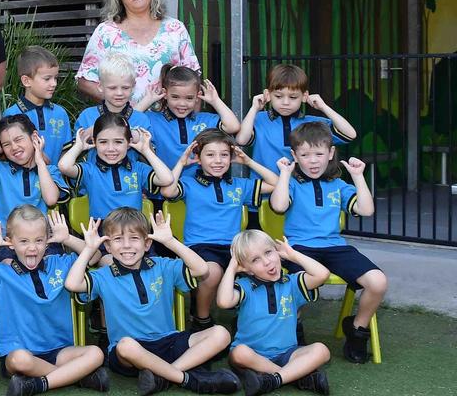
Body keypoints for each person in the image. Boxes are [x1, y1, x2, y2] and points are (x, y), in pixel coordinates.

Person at [65, 209, 238, 395]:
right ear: (107, 246)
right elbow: (72, 284)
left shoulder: (162, 265)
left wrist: (170, 242)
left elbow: (202, 268)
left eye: (134, 238)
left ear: (147, 243)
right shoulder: (102, 276)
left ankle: (163, 376)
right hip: (132, 353)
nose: (126, 246)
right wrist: (89, 249)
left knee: (221, 333)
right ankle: (189, 380)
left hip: (169, 342)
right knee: (125, 346)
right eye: (117, 240)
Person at [268, 122, 384, 363]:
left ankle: (357, 330)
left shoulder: (338, 185)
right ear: (294, 156)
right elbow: (278, 206)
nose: (313, 161)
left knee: (378, 282)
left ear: (330, 153)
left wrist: (358, 177)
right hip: (299, 249)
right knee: (298, 285)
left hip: (335, 247)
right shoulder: (290, 183)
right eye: (305, 155)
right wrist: (284, 174)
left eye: (319, 154)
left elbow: (366, 209)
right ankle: (293, 329)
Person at [0, 208, 109, 395]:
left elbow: (94, 257)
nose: (32, 248)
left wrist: (67, 239)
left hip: (59, 351)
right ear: (10, 243)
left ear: (47, 241)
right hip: (21, 352)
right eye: (23, 241)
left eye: (39, 240)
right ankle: (76, 377)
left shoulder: (60, 263)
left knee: (96, 354)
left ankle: (38, 384)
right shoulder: (2, 272)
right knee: (19, 361)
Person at [159, 130, 278, 331]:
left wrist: (248, 162)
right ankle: (202, 318)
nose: (218, 161)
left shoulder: (239, 186)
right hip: (200, 247)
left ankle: (249, 321)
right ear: (198, 158)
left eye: (224, 155)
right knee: (212, 272)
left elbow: (275, 183)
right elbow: (168, 190)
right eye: (210, 155)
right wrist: (181, 162)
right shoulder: (189, 183)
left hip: (233, 248)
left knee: (260, 267)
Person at [217, 230, 331, 396]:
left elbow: (322, 274)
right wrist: (232, 268)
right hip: (253, 354)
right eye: (255, 260)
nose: (267, 262)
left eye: (268, 252)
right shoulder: (245, 286)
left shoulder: (291, 283)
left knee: (321, 350)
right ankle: (297, 377)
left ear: (277, 252)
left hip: (287, 353)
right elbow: (223, 301)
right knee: (239, 353)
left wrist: (293, 255)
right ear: (247, 269)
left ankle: (272, 380)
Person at [77, 0, 199, 104]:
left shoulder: (174, 29)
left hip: (168, 123)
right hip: (123, 123)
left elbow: (194, 79)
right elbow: (85, 81)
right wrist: (120, 104)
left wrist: (191, 123)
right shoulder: (106, 32)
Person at [0, 116, 63, 261]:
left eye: (18, 140)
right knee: (9, 267)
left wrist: (40, 162)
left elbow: (51, 200)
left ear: (34, 138)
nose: (14, 147)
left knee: (52, 263)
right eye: (6, 144)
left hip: (41, 241)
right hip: (6, 242)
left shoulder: (49, 171)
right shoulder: (0, 169)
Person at [236, 64, 357, 172]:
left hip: (300, 192)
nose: (285, 102)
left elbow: (350, 134)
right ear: (267, 95)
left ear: (304, 96)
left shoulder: (314, 123)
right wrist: (254, 109)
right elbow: (242, 140)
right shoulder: (258, 118)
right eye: (278, 96)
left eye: (293, 97)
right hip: (265, 190)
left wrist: (324, 107)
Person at [58, 113, 173, 222]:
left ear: (129, 143)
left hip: (135, 231)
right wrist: (79, 147)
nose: (111, 148)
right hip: (103, 234)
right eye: (103, 142)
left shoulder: (138, 169)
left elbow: (167, 179)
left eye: (118, 142)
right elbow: (64, 166)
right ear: (94, 142)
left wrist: (146, 151)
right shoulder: (90, 171)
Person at [139, 66, 240, 169]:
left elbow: (233, 127)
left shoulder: (206, 120)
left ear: (197, 96)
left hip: (200, 183)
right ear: (165, 94)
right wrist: (147, 101)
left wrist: (215, 101)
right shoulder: (151, 119)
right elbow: (125, 123)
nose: (182, 103)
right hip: (165, 182)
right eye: (175, 97)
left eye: (189, 98)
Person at [3, 46, 73, 165]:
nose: (54, 84)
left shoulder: (60, 113)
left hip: (55, 181)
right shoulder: (11, 115)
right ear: (26, 81)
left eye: (55, 78)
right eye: (47, 79)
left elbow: (66, 152)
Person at [74, 53, 151, 136]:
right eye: (112, 88)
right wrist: (92, 132)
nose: (119, 93)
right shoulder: (87, 116)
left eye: (125, 88)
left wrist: (136, 137)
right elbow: (76, 146)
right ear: (100, 87)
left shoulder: (141, 120)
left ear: (133, 86)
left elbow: (149, 147)